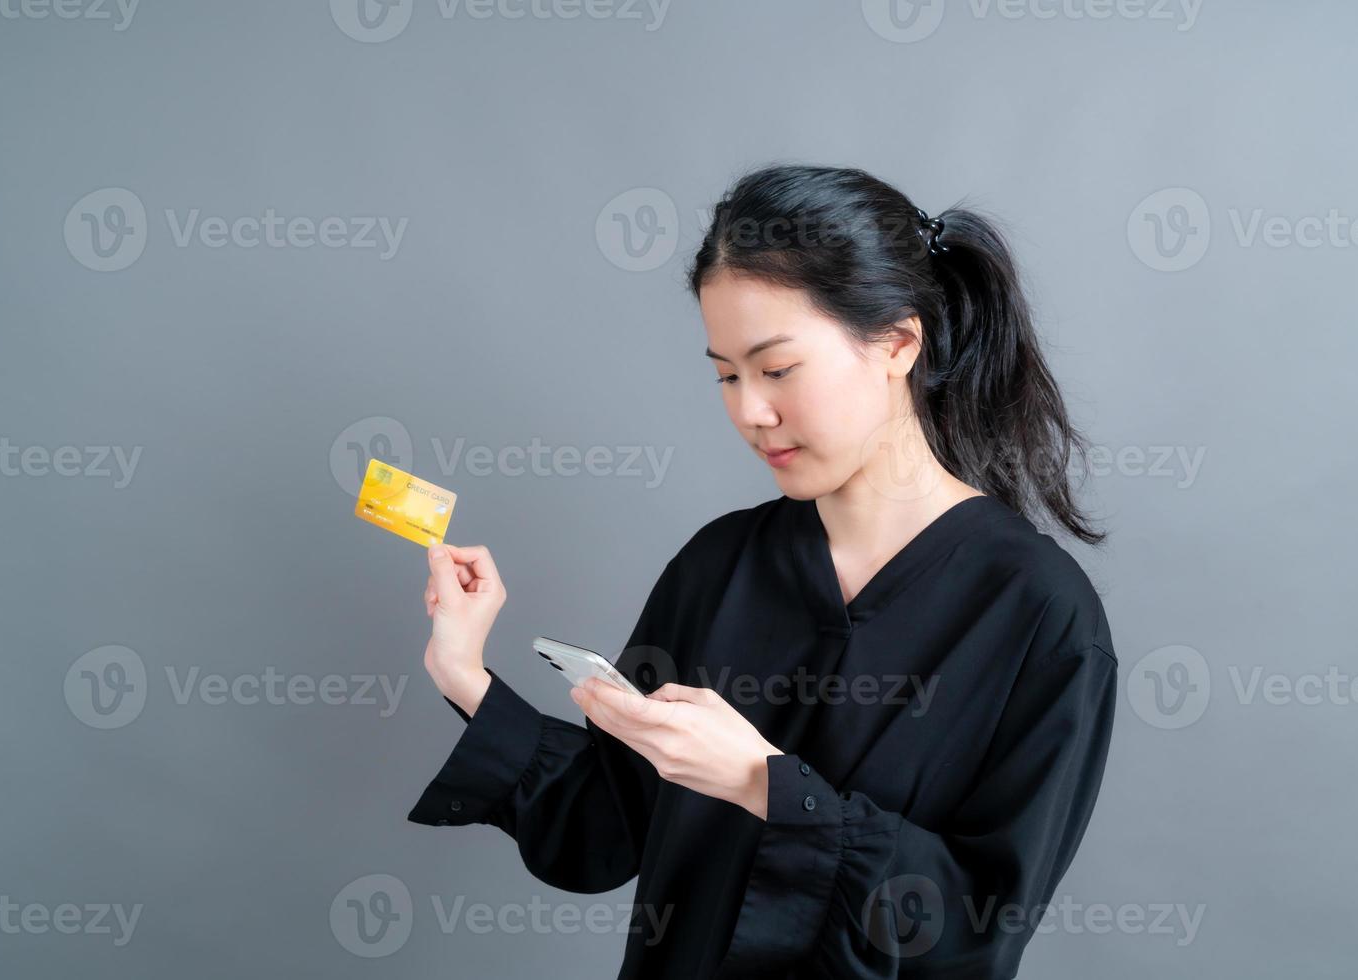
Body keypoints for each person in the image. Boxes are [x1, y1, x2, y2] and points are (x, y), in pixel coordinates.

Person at [407, 163, 1119, 979]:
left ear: (898, 343)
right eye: (726, 374)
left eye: (777, 369)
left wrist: (766, 783)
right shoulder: (717, 568)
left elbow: (975, 929)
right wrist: (464, 673)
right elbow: (601, 832)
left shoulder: (1037, 614)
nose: (750, 410)